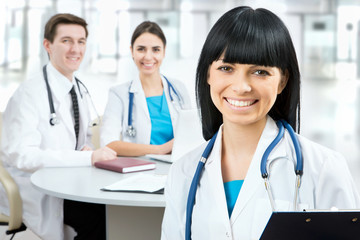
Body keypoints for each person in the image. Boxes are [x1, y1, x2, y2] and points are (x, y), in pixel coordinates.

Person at [161, 6, 360, 240]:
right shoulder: (183, 172)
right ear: (208, 74)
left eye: (260, 72)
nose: (241, 86)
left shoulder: (325, 167)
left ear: (282, 81)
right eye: (226, 68)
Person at [0, 14, 116, 240]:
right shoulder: (29, 94)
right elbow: (23, 156)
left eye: (81, 41)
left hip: (70, 181)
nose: (76, 49)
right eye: (66, 41)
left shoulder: (79, 89)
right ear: (48, 45)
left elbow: (81, 140)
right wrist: (87, 159)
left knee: (112, 209)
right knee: (99, 217)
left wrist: (86, 150)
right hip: (38, 189)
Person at [100, 21, 191, 156]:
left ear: (164, 51)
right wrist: (160, 150)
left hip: (177, 166)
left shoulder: (178, 89)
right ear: (132, 51)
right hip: (138, 169)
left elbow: (191, 133)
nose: (148, 56)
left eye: (156, 49)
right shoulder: (118, 94)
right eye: (141, 49)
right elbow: (109, 143)